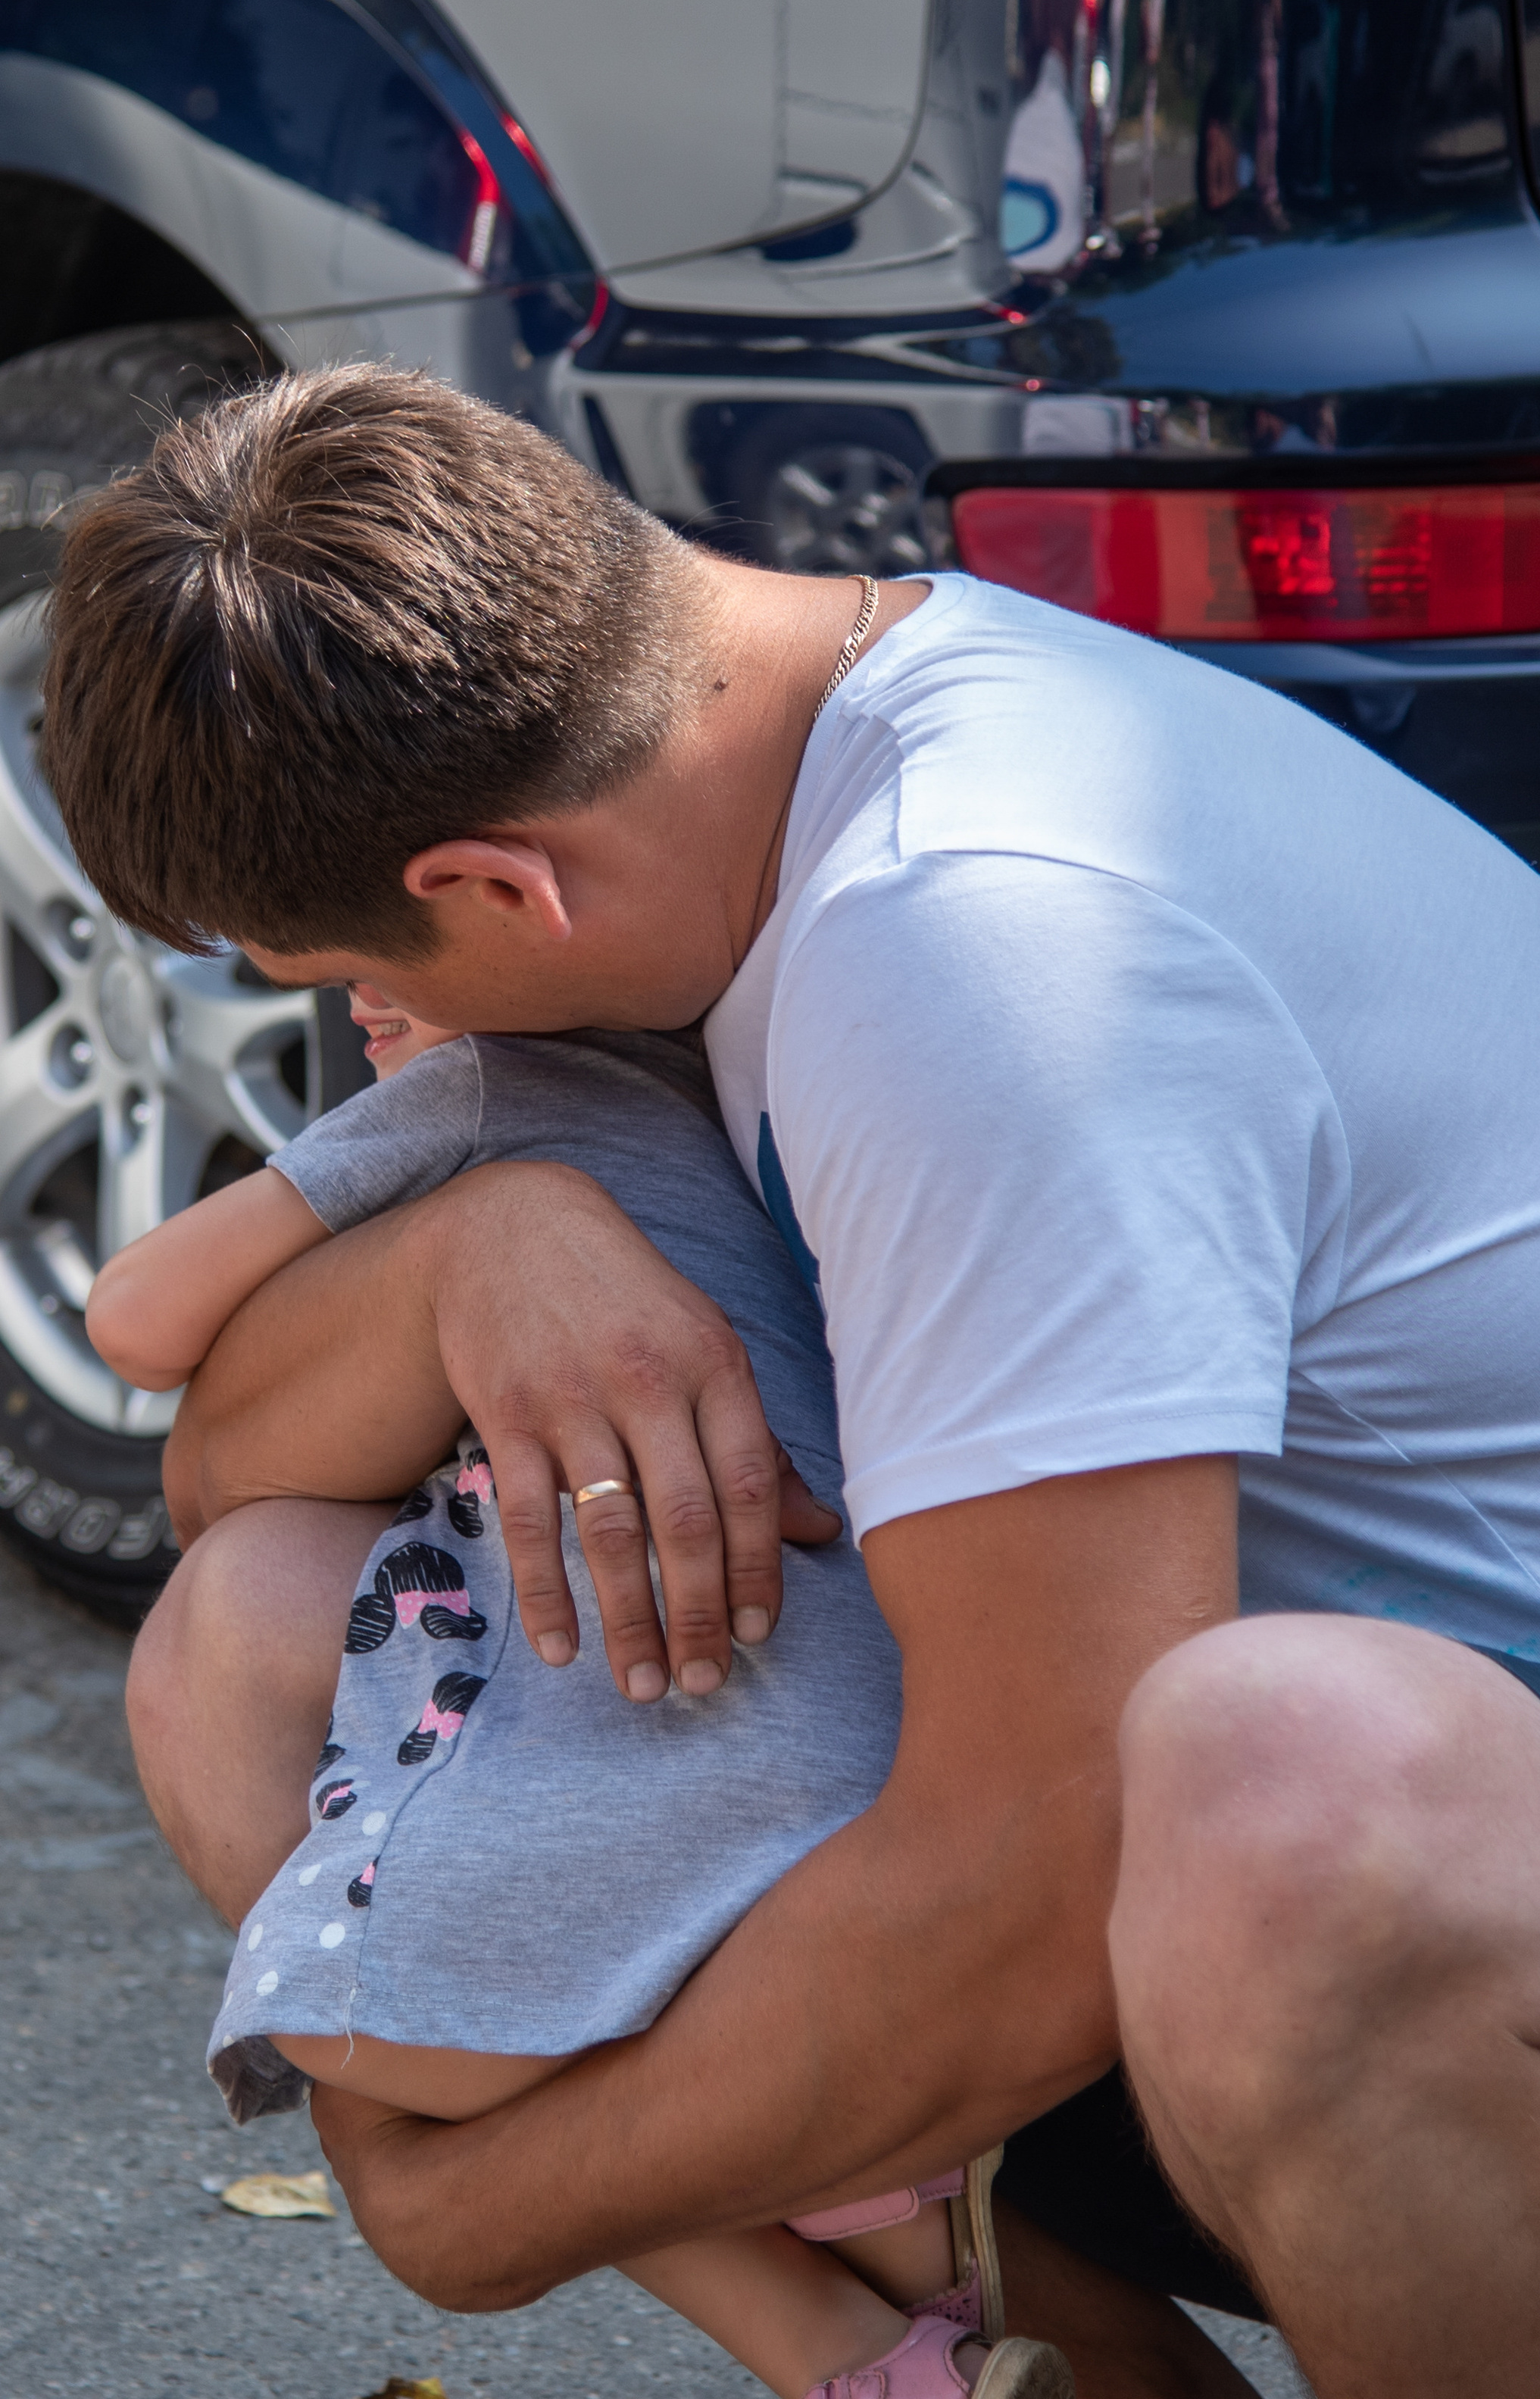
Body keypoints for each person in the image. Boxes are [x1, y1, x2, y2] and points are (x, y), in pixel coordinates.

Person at [50, 364, 1540, 2399]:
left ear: (507, 888)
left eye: (359, 974)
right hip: (1257, 1955)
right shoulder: (753, 785)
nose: (375, 1022)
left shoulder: (972, 933)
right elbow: (221, 1484)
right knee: (261, 1642)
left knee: (1270, 1773)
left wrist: (469, 2209)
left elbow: (1042, 1870)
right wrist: (461, 1255)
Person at [87, 982, 1070, 2399]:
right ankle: (873, 2305)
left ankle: (842, 2263)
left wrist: (357, 1223)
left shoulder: (485, 1082)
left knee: (326, 2020)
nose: (355, 985)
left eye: (381, 945)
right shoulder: (740, 1097)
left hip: (712, 1766)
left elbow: (132, 1319)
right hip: (861, 1735)